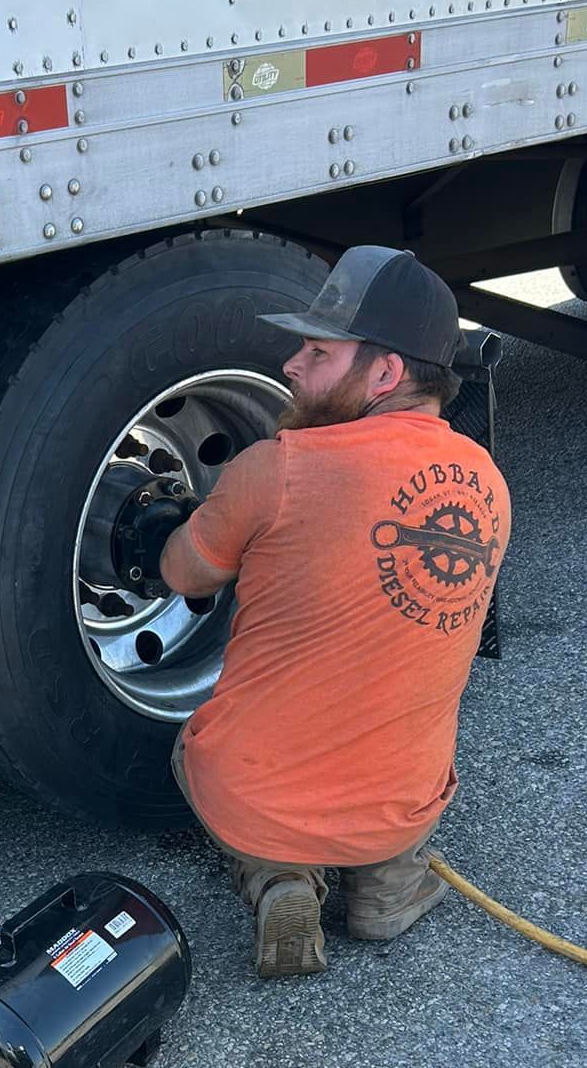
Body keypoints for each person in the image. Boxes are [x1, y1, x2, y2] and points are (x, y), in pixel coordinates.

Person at [128, 246, 510, 978]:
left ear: (385, 374)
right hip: (404, 801)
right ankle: (387, 890)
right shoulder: (488, 485)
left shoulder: (276, 469)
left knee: (196, 746)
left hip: (261, 800)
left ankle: (277, 880)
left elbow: (180, 571)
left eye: (318, 351)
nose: (291, 365)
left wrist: (199, 521)